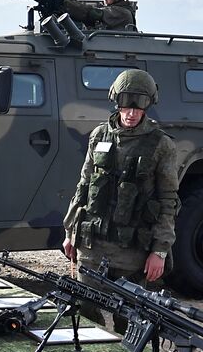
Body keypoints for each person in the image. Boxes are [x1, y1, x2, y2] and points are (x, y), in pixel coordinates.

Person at [61, 69, 179, 328]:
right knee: (84, 311)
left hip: (132, 252)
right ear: (116, 101)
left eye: (139, 104)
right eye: (127, 103)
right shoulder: (99, 136)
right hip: (91, 246)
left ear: (148, 105)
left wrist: (159, 251)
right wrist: (71, 232)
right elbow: (84, 185)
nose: (132, 112)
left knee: (128, 318)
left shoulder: (161, 145)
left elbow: (168, 200)